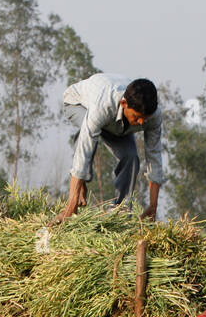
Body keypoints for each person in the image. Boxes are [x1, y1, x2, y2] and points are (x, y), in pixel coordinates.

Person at [57, 73, 163, 222]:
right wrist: (71, 206)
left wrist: (153, 206)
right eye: (137, 117)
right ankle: (79, 188)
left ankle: (121, 209)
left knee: (131, 157)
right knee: (87, 136)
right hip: (78, 104)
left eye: (144, 119)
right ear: (124, 104)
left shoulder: (154, 116)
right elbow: (85, 148)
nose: (140, 122)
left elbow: (155, 158)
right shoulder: (103, 105)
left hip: (114, 123)